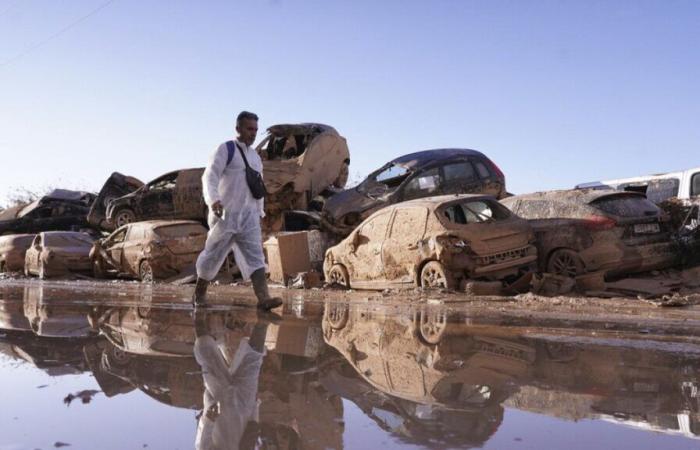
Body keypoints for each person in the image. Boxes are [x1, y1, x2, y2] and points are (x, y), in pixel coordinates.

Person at [193, 111, 282, 310]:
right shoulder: (226, 150)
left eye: (256, 130)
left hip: (249, 218)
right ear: (238, 128)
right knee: (212, 255)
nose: (253, 134)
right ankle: (199, 294)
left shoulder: (256, 158)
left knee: (256, 256)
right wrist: (213, 200)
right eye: (249, 129)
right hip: (225, 216)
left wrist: (260, 213)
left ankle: (263, 298)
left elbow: (257, 187)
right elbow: (210, 177)